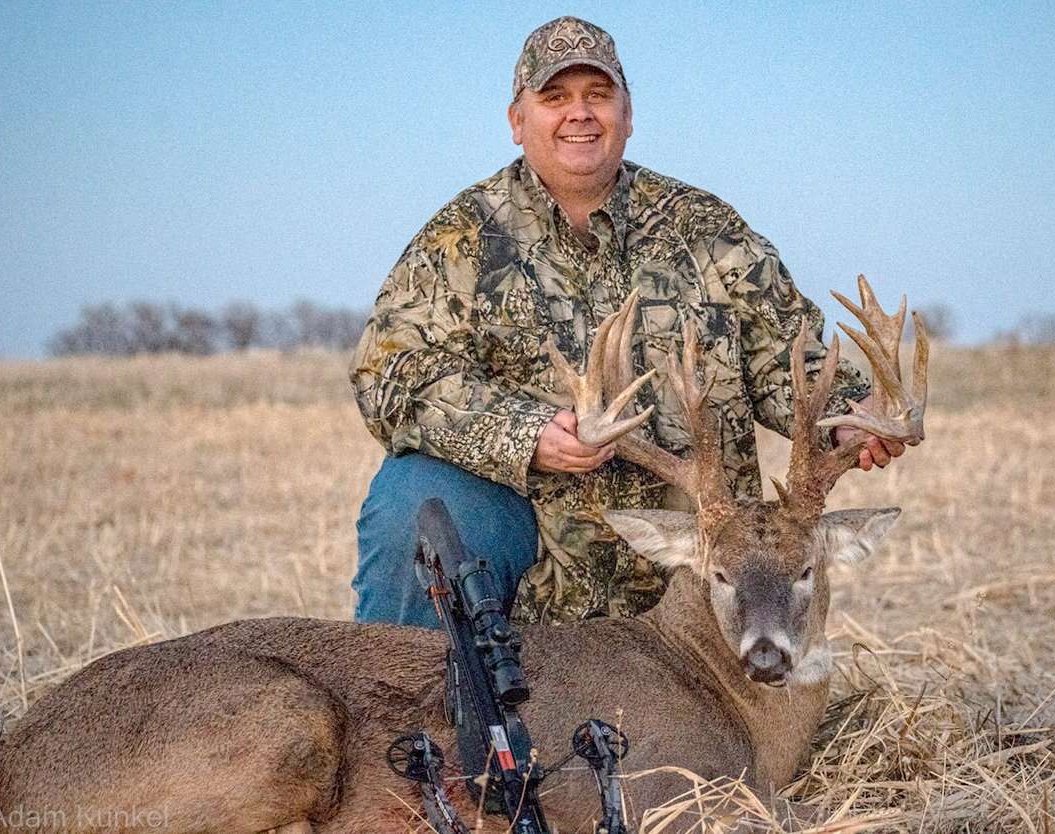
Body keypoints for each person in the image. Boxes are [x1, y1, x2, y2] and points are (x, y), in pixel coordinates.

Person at [349, 16, 904, 628]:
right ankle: (411, 704)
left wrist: (852, 418)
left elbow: (786, 358)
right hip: (532, 567)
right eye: (554, 97)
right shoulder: (462, 239)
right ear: (517, 122)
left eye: (598, 95)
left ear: (628, 114)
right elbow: (390, 376)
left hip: (697, 570)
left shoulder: (705, 229)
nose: (579, 114)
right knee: (412, 502)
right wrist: (525, 434)